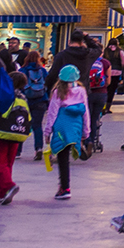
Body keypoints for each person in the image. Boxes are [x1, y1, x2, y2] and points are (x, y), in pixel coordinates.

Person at [44, 64, 89, 199]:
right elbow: (85, 112)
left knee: (62, 159)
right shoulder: (81, 91)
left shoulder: (58, 92)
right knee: (68, 156)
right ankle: (65, 186)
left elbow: (52, 113)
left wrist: (47, 132)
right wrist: (86, 132)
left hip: (61, 127)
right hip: (75, 127)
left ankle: (64, 187)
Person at [0, 71, 31, 206]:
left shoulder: (6, 95)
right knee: (8, 162)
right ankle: (2, 192)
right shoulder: (23, 98)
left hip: (3, 131)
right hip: (17, 133)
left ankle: (8, 185)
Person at [22, 51, 51, 159]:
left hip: (25, 101)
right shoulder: (43, 70)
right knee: (37, 126)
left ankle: (18, 151)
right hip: (41, 100)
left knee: (22, 125)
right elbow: (47, 84)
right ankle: (38, 148)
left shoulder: (23, 70)